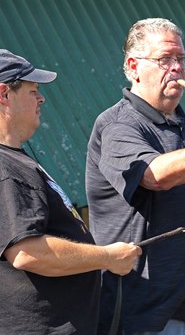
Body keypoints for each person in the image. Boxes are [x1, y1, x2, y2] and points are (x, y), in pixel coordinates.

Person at [85, 18, 185, 335]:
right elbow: (154, 175)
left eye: (181, 60)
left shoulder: (177, 120)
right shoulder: (118, 125)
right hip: (143, 317)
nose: (176, 68)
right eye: (165, 59)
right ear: (134, 67)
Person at [0, 49, 142, 334]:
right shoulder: (5, 168)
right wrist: (107, 257)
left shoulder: (17, 159)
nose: (41, 98)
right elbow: (27, 252)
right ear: (4, 94)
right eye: (33, 90)